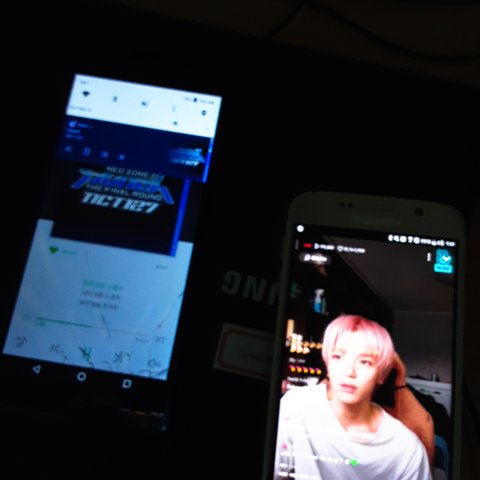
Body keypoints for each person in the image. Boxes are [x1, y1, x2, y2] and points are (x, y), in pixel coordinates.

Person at [274, 314, 433, 480]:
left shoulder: (405, 448)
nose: (349, 372)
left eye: (365, 362)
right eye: (338, 357)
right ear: (327, 364)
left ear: (381, 375)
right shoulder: (296, 406)